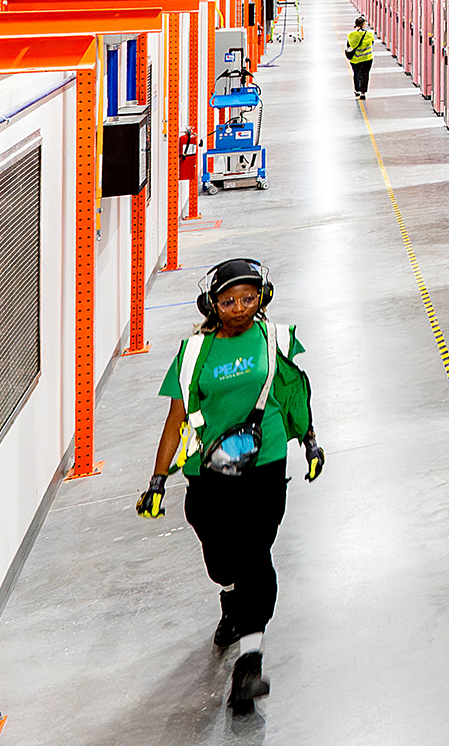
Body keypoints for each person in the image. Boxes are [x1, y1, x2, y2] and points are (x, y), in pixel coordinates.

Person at [135, 258, 324, 712]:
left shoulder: (276, 339)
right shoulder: (193, 354)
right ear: (211, 304)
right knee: (225, 564)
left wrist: (310, 441)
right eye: (228, 300)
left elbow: (293, 393)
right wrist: (158, 479)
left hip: (266, 464)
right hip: (210, 473)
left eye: (248, 298)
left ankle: (249, 664)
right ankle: (232, 597)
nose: (239, 308)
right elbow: (176, 419)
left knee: (256, 555)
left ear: (263, 298)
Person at [346, 16, 374, 99]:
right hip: (367, 59)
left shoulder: (351, 35)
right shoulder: (369, 34)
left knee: (356, 74)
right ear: (363, 24)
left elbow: (349, 46)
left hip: (355, 59)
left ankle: (357, 90)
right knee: (365, 75)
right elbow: (371, 43)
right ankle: (363, 92)